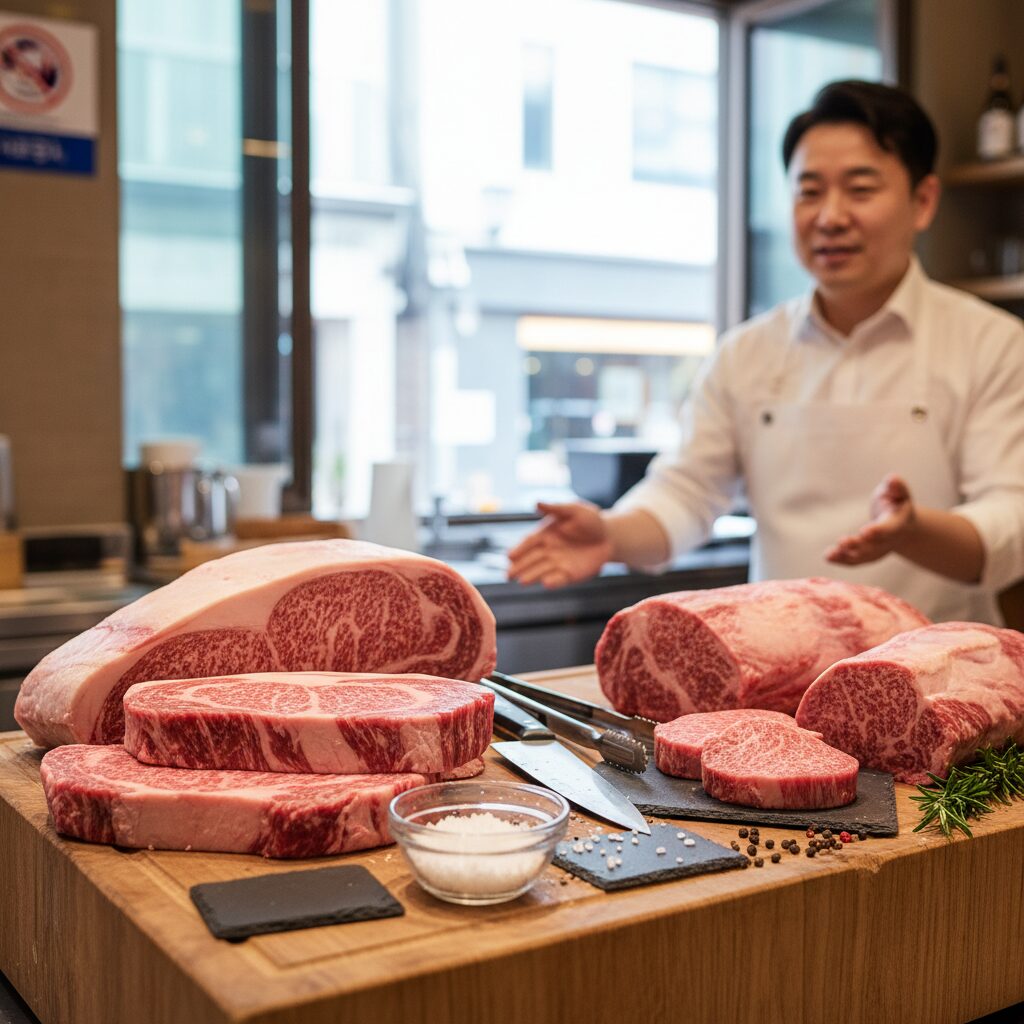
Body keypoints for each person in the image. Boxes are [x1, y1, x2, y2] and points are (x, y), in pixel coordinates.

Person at [507, 79, 1024, 624]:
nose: (829, 216)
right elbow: (686, 492)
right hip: (783, 680)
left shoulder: (991, 344)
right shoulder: (746, 353)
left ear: (923, 202)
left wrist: (916, 532)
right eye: (809, 191)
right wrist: (611, 533)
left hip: (943, 678)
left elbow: (1011, 514)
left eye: (860, 189)